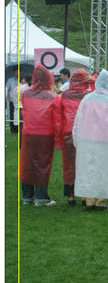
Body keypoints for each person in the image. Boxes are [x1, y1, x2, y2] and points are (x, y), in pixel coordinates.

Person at [73, 70, 108, 211]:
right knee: (103, 171)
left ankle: (89, 199)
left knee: (87, 170)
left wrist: (76, 140)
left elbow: (77, 121)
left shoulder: (86, 99)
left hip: (85, 141)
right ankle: (100, 200)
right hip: (104, 142)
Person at [20, 64, 61, 206]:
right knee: (43, 165)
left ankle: (27, 196)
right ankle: (41, 197)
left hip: (28, 134)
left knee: (27, 164)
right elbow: (57, 119)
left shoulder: (25, 94)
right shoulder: (53, 97)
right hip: (45, 135)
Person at [58, 69, 91, 205]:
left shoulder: (65, 94)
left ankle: (70, 195)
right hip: (84, 132)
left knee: (69, 164)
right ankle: (84, 196)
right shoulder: (88, 96)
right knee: (84, 163)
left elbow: (60, 114)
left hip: (67, 132)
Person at [6, 68, 19, 134]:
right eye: (16, 71)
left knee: (19, 115)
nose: (17, 73)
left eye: (19, 72)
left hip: (20, 101)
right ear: (14, 72)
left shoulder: (22, 80)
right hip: (12, 100)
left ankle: (18, 129)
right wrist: (8, 97)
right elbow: (7, 89)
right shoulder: (10, 80)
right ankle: (13, 130)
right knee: (12, 115)